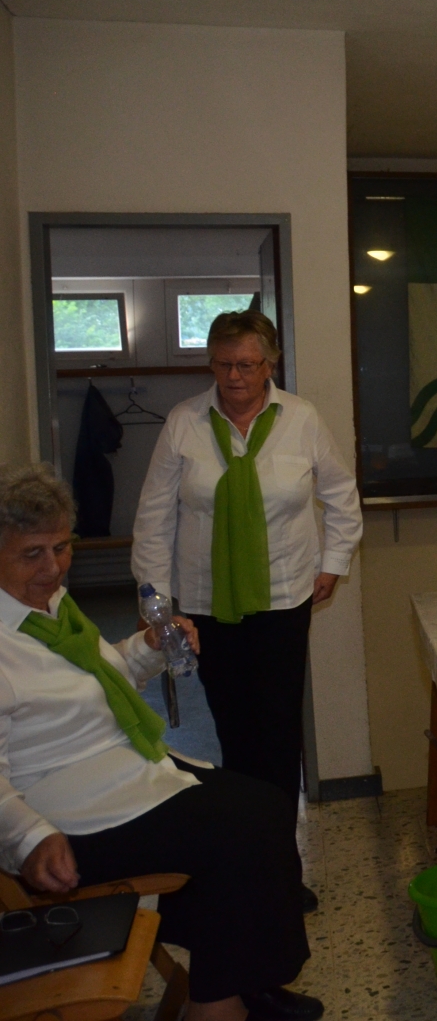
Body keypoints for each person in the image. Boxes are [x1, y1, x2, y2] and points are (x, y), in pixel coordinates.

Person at [3, 464, 316, 1021]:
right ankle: (223, 1000)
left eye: (61, 547)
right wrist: (29, 836)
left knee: (265, 808)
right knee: (240, 832)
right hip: (66, 816)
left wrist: (148, 648)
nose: (53, 567)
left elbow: (99, 677)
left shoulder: (50, 609)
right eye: (33, 554)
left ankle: (239, 985)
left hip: (118, 771)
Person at [132, 311, 360, 912]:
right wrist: (155, 603)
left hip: (283, 601)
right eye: (222, 364)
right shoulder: (184, 423)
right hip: (208, 606)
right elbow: (153, 516)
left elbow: (342, 497)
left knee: (278, 740)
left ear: (270, 363)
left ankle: (281, 872)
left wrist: (333, 564)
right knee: (236, 739)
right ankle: (247, 868)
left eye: (246, 364)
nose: (233, 376)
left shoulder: (302, 419)